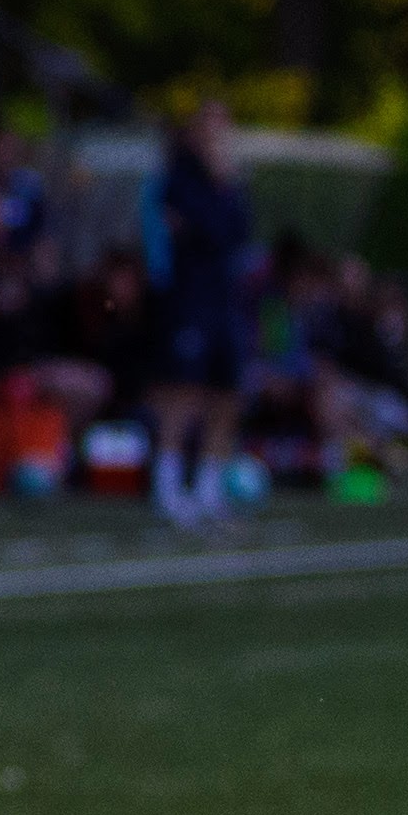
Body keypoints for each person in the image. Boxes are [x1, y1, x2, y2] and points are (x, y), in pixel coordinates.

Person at [139, 96, 258, 530]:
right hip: (189, 297)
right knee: (183, 391)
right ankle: (168, 484)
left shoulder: (230, 180)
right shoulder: (177, 180)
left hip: (226, 299)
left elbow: (237, 232)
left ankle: (209, 484)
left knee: (227, 393)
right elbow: (200, 231)